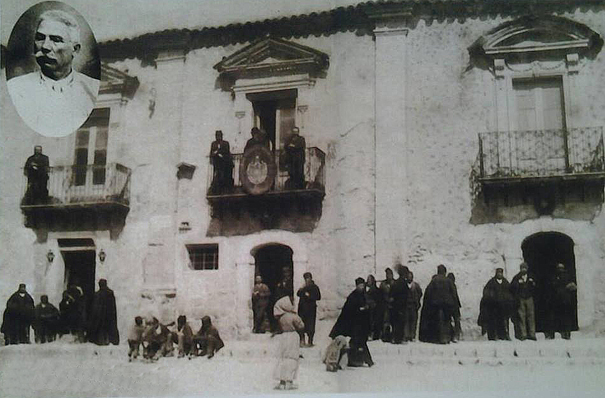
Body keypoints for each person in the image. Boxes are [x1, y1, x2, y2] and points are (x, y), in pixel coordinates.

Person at [7, 9, 100, 137]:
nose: (45, 46)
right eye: (40, 38)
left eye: (56, 40)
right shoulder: (16, 88)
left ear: (75, 49)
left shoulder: (92, 89)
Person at [329, 277, 374, 367]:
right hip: (353, 324)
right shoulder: (353, 296)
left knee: (357, 342)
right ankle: (367, 361)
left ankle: (355, 360)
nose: (362, 287)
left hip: (360, 324)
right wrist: (360, 309)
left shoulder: (363, 295)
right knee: (360, 342)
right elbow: (349, 310)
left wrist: (367, 307)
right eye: (360, 285)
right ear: (357, 286)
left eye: (362, 285)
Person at [273, 296, 305, 390]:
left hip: (284, 336)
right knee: (292, 358)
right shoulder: (293, 316)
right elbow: (301, 326)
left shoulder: (281, 317)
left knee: (284, 358)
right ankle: (289, 382)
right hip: (293, 336)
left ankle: (282, 382)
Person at [419, 265, 457, 344]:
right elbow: (454, 294)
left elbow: (428, 294)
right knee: (446, 322)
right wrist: (454, 305)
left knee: (437, 322)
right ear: (444, 272)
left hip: (435, 305)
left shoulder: (433, 281)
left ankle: (438, 338)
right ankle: (446, 338)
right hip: (447, 305)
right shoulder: (448, 281)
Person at [478, 268, 514, 341]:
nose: (499, 274)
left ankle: (505, 335)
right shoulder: (491, 282)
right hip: (494, 306)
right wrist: (491, 298)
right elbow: (486, 292)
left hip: (503, 306)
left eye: (501, 273)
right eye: (498, 273)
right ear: (496, 273)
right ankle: (495, 335)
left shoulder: (505, 282)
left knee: (504, 321)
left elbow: (510, 292)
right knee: (495, 321)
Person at [545, 263, 577, 340]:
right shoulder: (556, 277)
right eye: (559, 268)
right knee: (557, 317)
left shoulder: (566, 276)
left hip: (564, 300)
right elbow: (552, 286)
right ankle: (556, 334)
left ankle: (565, 334)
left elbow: (573, 286)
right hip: (558, 300)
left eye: (561, 268)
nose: (560, 270)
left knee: (564, 317)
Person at [510, 263, 537, 341]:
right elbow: (512, 287)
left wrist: (532, 284)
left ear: (527, 269)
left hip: (529, 298)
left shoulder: (531, 276)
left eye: (525, 268)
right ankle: (523, 334)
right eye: (522, 268)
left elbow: (536, 286)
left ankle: (532, 334)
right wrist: (518, 283)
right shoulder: (516, 277)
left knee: (531, 316)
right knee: (521, 316)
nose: (523, 270)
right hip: (521, 298)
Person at [88, 279, 119, 345]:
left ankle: (102, 341)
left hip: (101, 315)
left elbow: (95, 307)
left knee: (101, 328)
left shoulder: (98, 294)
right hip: (108, 314)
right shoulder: (109, 293)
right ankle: (108, 340)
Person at [296, 272, 321, 347]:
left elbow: (318, 297)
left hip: (311, 309)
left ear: (311, 278)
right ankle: (302, 340)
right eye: (305, 278)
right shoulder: (304, 287)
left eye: (308, 278)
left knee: (311, 325)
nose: (307, 280)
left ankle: (310, 341)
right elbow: (298, 294)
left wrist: (309, 296)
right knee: (301, 325)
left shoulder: (315, 287)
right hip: (302, 309)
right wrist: (301, 289)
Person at [389, 264, 409, 344]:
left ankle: (394, 338)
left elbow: (391, 295)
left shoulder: (395, 283)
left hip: (395, 306)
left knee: (395, 322)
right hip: (401, 306)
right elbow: (405, 296)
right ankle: (399, 339)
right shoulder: (403, 283)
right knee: (400, 323)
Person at [404, 271, 423, 342]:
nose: (409, 278)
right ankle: (406, 335)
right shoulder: (404, 285)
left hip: (413, 305)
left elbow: (420, 293)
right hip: (406, 305)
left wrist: (417, 300)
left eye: (411, 276)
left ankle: (412, 335)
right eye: (408, 276)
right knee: (406, 320)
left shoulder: (416, 285)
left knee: (413, 320)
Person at [378, 267, 395, 341]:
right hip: (385, 305)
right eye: (387, 274)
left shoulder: (395, 283)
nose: (388, 276)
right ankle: (385, 336)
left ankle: (393, 336)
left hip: (394, 305)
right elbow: (380, 294)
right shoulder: (383, 284)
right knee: (385, 321)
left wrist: (393, 299)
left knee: (393, 321)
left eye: (389, 274)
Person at [364, 274, 381, 341]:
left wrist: (371, 304)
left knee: (372, 321)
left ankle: (371, 334)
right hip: (364, 308)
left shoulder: (376, 290)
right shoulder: (364, 288)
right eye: (368, 279)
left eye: (370, 280)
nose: (368, 281)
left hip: (372, 309)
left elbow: (377, 300)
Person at [447, 273, 462, 342]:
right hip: (453, 306)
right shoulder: (452, 286)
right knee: (456, 321)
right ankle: (456, 335)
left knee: (453, 321)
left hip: (451, 306)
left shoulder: (449, 286)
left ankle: (454, 335)